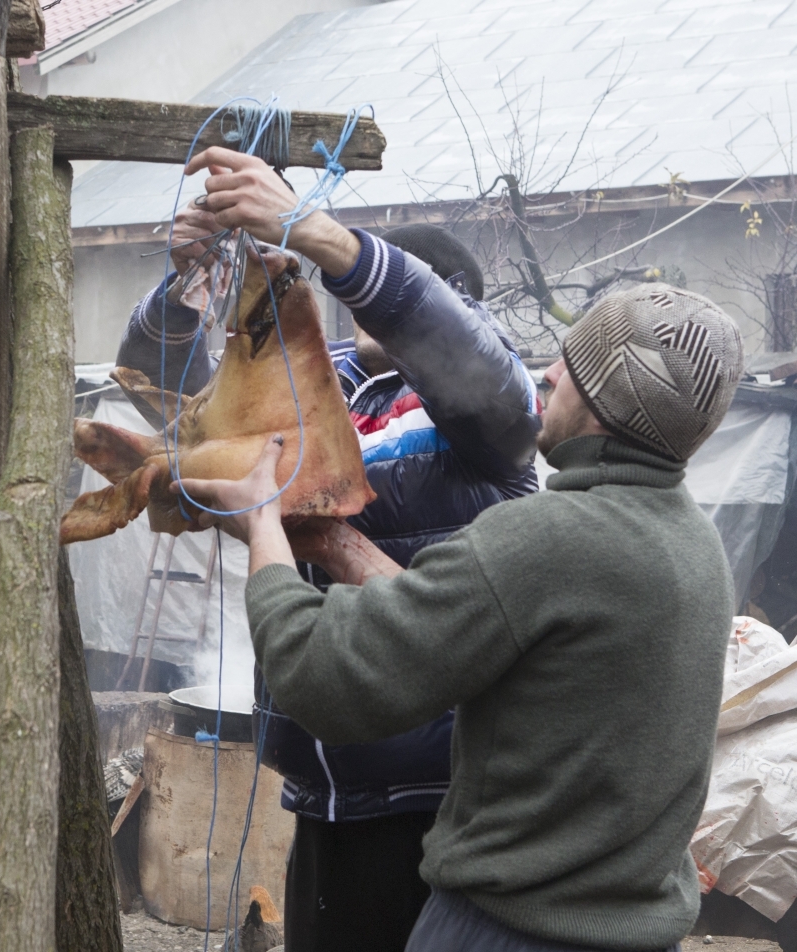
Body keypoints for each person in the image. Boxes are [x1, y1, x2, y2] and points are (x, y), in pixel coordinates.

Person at [171, 157, 744, 951]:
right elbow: (484, 614)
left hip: (501, 914)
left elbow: (322, 671)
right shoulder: (691, 541)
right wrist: (332, 542)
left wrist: (264, 522)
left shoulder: (540, 523)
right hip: (614, 919)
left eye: (573, 364)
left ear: (609, 403)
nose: (548, 372)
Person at [116, 149, 540, 951]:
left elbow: (470, 364)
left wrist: (322, 238)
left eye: (386, 294)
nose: (363, 308)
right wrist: (188, 287)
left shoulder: (488, 415)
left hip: (445, 788)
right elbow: (182, 418)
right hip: (325, 780)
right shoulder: (313, 382)